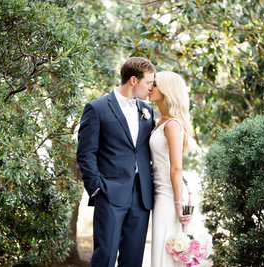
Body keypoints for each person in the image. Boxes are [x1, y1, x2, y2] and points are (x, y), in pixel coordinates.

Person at [76, 57, 156, 267]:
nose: (151, 87)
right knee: (105, 257)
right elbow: (85, 153)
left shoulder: (148, 111)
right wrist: (96, 189)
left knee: (133, 259)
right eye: (148, 82)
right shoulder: (97, 108)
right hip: (110, 193)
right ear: (133, 80)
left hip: (141, 196)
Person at [149, 71, 194, 266]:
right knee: (161, 249)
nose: (150, 87)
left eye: (155, 84)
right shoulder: (160, 120)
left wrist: (179, 203)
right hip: (160, 192)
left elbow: (176, 168)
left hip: (170, 196)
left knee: (167, 251)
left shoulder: (173, 124)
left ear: (167, 90)